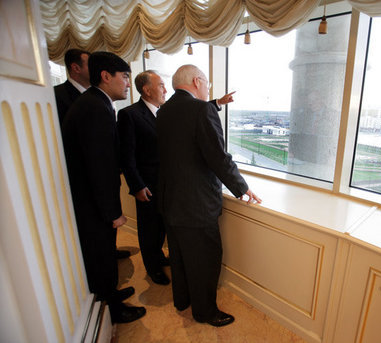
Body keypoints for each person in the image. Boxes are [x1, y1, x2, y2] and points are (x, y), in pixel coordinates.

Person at [156, 64, 261, 327]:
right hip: (196, 204)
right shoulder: (201, 110)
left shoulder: (164, 110)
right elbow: (218, 157)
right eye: (207, 84)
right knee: (204, 260)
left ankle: (182, 300)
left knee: (178, 255)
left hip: (170, 200)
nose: (207, 89)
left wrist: (215, 102)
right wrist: (242, 187)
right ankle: (204, 312)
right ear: (196, 80)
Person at [118, 71, 236, 286]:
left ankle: (163, 259)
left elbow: (190, 112)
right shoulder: (130, 115)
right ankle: (153, 268)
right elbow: (127, 156)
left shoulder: (165, 111)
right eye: (161, 85)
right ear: (146, 89)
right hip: (148, 185)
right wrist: (137, 186)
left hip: (171, 185)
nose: (165, 89)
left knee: (167, 228)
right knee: (150, 230)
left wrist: (217, 103)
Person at [62, 51, 146, 324]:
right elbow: (98, 166)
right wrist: (112, 212)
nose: (127, 84)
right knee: (101, 258)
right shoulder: (95, 108)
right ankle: (113, 309)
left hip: (92, 200)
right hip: (91, 204)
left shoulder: (95, 103)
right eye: (124, 77)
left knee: (106, 254)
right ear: (105, 76)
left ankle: (112, 294)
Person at [54, 49, 90, 126]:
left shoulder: (96, 95)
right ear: (76, 68)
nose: (96, 70)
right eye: (91, 65)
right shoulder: (55, 95)